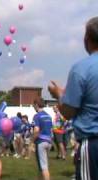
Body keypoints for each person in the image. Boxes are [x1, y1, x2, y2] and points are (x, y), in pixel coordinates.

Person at [48, 16, 98, 180]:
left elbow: (68, 112)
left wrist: (58, 95)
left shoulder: (81, 68)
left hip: (93, 144)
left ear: (87, 39)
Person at [33, 98, 53, 180]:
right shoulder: (48, 116)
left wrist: (31, 142)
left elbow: (36, 130)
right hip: (49, 142)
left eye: (33, 105)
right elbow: (51, 130)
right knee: (42, 165)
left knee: (44, 167)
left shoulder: (37, 116)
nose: (33, 107)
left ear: (37, 105)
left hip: (41, 142)